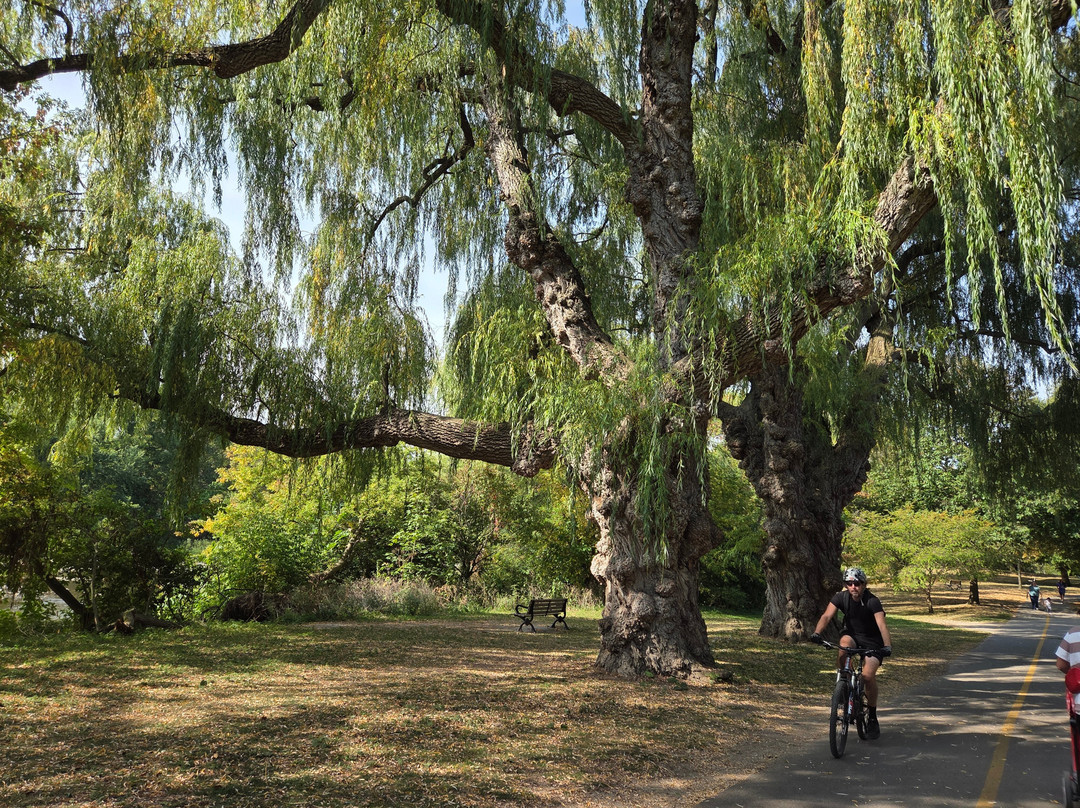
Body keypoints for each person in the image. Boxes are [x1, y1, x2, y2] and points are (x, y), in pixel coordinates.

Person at [810, 567, 892, 740]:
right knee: (843, 648)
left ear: (864, 584)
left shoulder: (872, 601)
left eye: (857, 583)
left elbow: (882, 625)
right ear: (845, 585)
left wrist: (887, 646)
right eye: (849, 583)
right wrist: (817, 633)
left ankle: (872, 715)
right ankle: (845, 685)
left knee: (868, 676)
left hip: (872, 641)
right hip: (852, 635)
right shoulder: (840, 597)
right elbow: (826, 616)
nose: (853, 587)